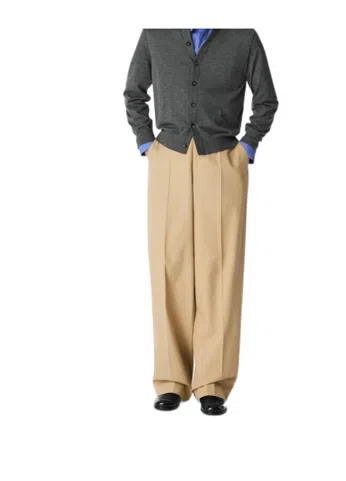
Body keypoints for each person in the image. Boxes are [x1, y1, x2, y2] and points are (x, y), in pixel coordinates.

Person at [123, 29, 278, 415]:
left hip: (223, 158)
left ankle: (213, 381)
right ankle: (171, 379)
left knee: (219, 267)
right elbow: (134, 92)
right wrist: (146, 142)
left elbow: (266, 99)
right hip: (168, 157)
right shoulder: (155, 33)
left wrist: (247, 146)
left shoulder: (243, 36)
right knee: (169, 264)